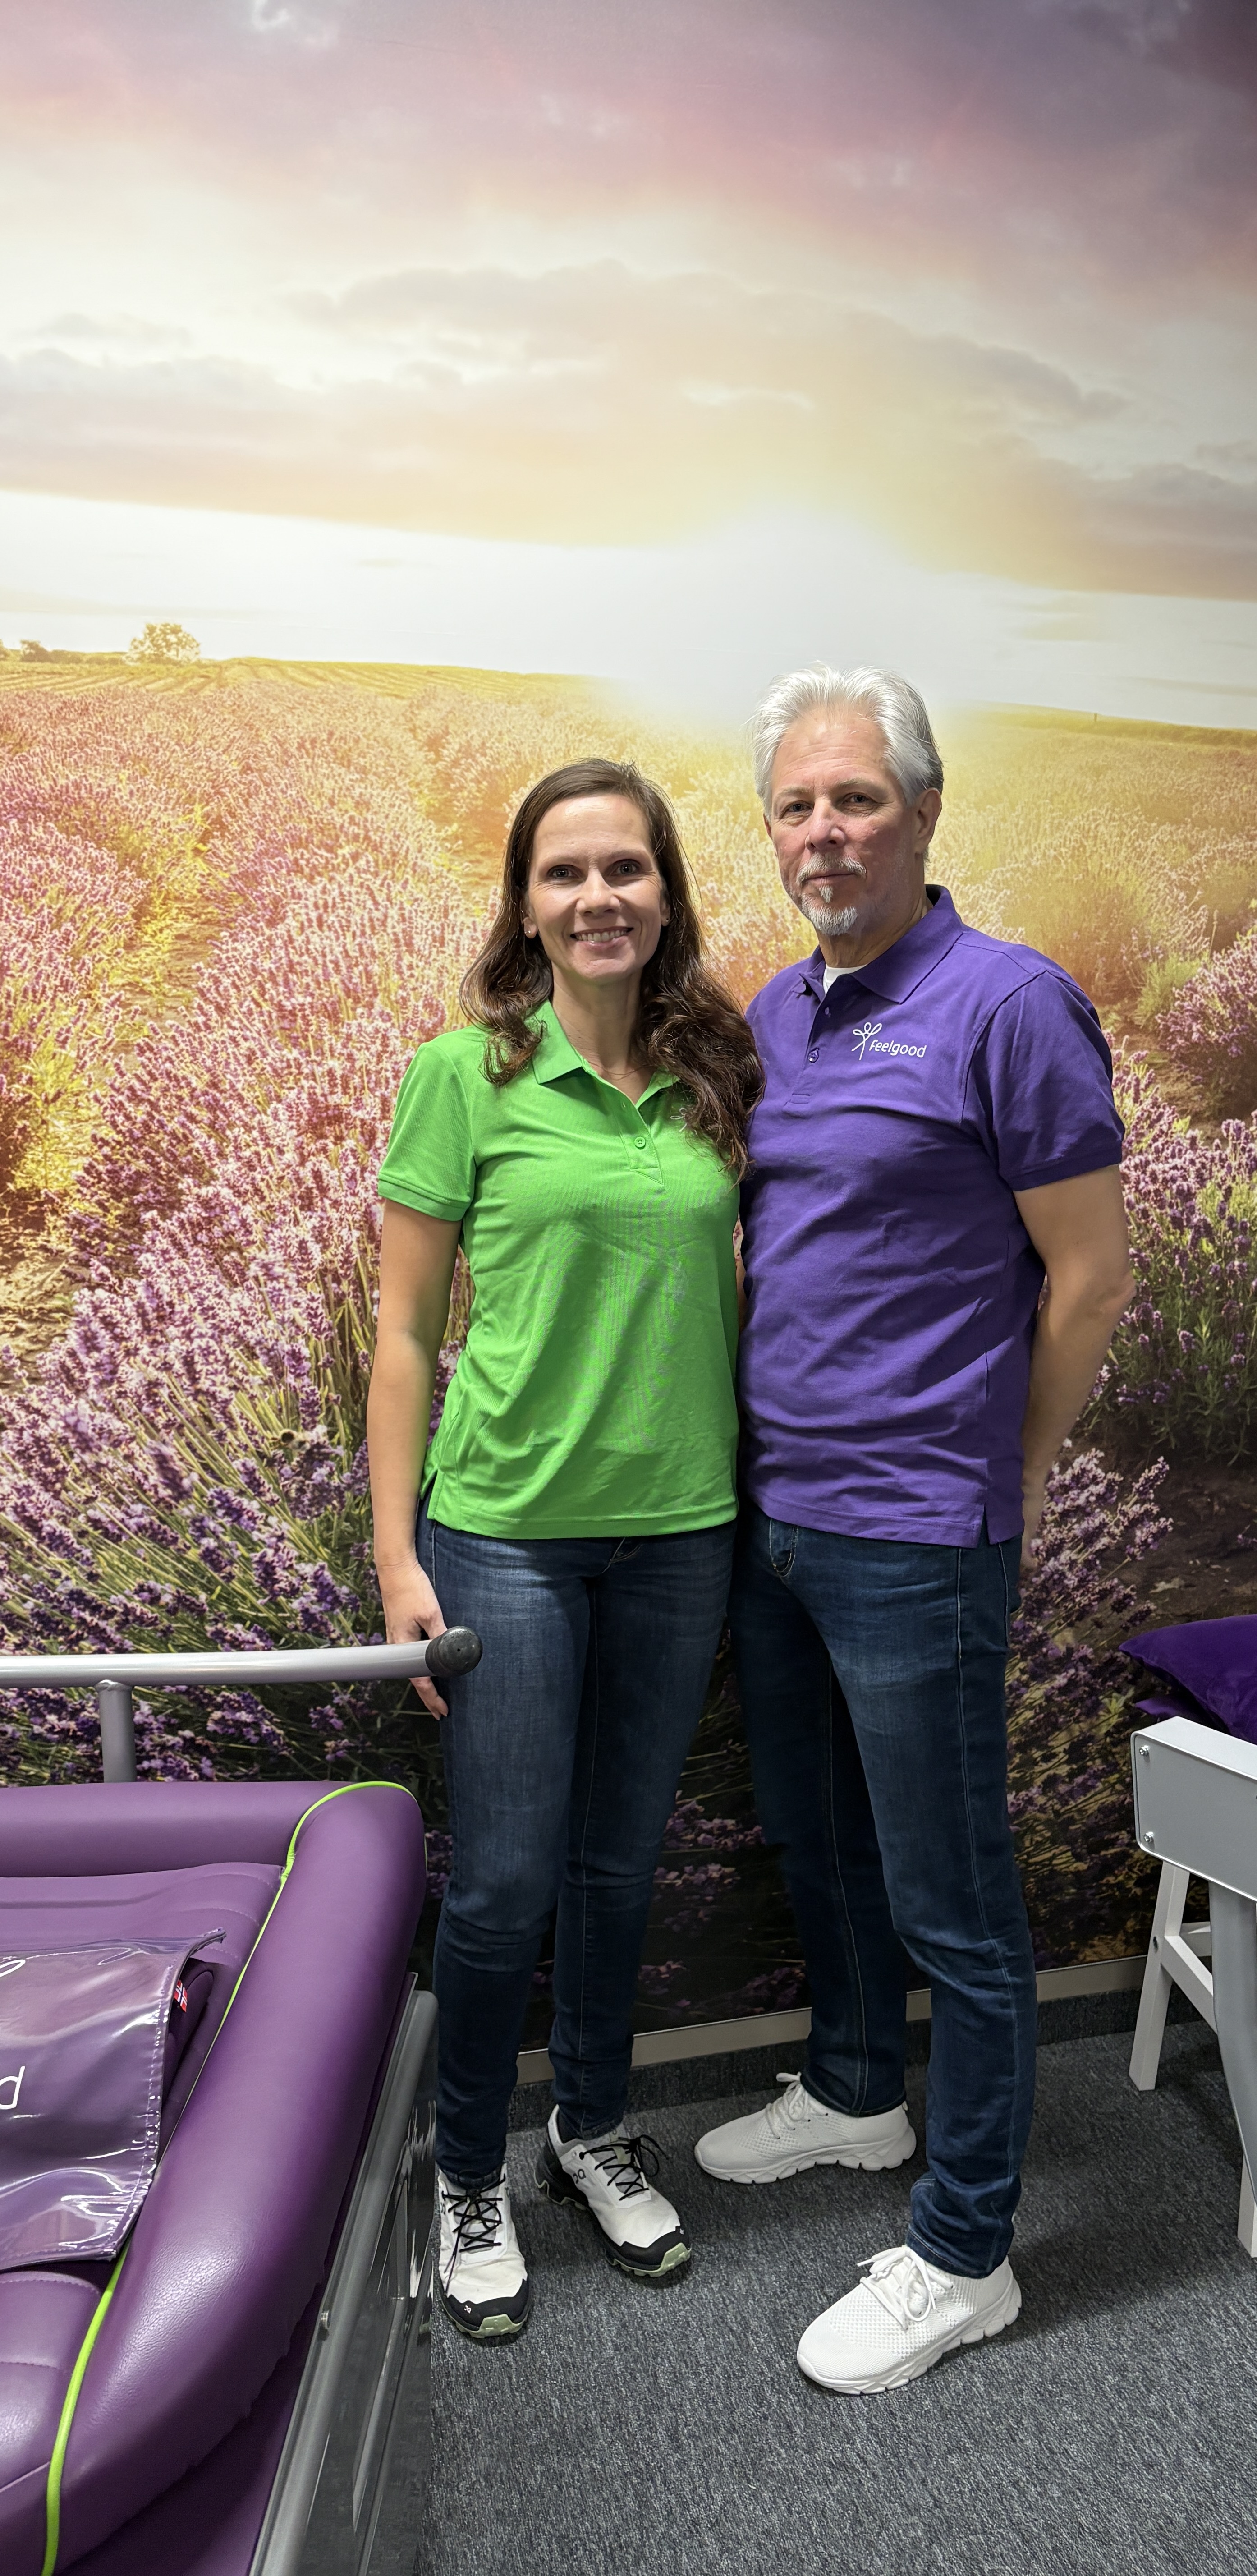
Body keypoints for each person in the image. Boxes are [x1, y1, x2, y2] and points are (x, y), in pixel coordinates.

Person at [694, 668, 1134, 2394]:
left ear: (927, 811)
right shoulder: (776, 1011)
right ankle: (859, 2093)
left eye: (858, 798)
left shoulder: (1011, 1005)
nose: (825, 832)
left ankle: (965, 2253)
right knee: (822, 1843)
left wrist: (1009, 1466)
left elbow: (1090, 1281)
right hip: (781, 1514)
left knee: (954, 1900)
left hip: (915, 1529)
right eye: (797, 805)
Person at [369, 757, 761, 2344]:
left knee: (619, 1863)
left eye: (626, 868)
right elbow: (404, 1334)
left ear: (665, 893)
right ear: (525, 906)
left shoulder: (715, 1075)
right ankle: (470, 2170)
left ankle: (590, 2129)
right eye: (564, 873)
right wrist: (397, 1560)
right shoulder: (465, 1074)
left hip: (679, 1533)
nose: (598, 897)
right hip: (508, 1537)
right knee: (506, 1881)